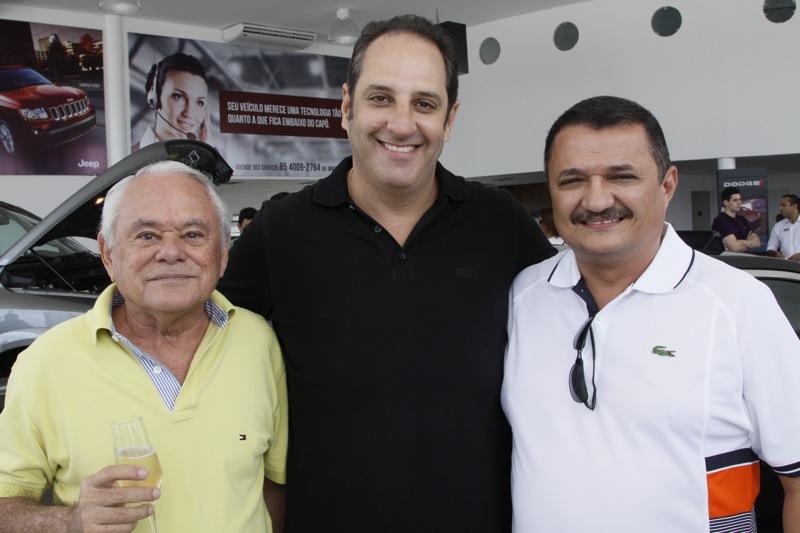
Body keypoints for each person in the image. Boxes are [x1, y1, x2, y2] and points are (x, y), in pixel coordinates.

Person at [219, 14, 554, 533]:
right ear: (346, 106)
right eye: (381, 98)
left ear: (450, 118)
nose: (401, 124)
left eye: (424, 103)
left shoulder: (500, 224)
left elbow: (575, 329)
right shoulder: (279, 233)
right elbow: (202, 352)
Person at [502, 96, 800, 533]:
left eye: (621, 176)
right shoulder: (522, 297)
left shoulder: (738, 305)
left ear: (667, 185)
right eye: (572, 180)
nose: (596, 200)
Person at [0, 161, 287, 533]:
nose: (171, 252)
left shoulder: (258, 341)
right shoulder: (45, 362)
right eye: (147, 235)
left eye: (193, 234)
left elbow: (272, 485)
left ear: (222, 255)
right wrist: (71, 521)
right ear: (108, 253)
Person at [134, 52, 210, 150]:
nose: (189, 113)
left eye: (200, 102)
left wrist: (205, 152)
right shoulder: (127, 154)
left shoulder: (207, 155)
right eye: (178, 97)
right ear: (154, 97)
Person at [711, 186, 761, 251]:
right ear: (726, 202)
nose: (739, 202)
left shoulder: (742, 219)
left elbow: (757, 243)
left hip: (744, 256)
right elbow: (735, 248)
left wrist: (739, 242)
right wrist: (749, 243)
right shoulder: (720, 220)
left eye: (740, 199)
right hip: (728, 257)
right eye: (735, 200)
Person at [766, 194, 800, 261]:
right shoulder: (778, 226)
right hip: (786, 266)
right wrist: (775, 254)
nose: (780, 208)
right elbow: (770, 248)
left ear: (794, 206)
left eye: (784, 205)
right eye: (780, 205)